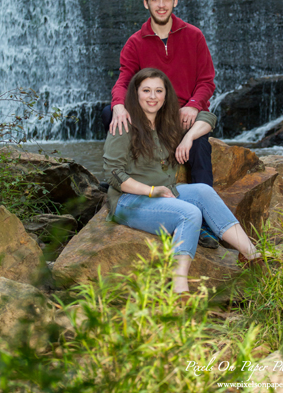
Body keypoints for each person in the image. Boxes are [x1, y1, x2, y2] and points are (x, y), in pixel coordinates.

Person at [103, 68, 262, 295]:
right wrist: (150, 191)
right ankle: (179, 288)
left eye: (159, 91)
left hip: (164, 191)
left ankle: (253, 256)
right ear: (135, 94)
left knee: (204, 192)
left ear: (166, 95)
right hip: (129, 200)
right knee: (190, 213)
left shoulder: (167, 122)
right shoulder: (124, 123)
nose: (152, 96)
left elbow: (208, 118)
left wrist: (188, 137)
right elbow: (113, 174)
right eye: (146, 90)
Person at [102, 0, 219, 248]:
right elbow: (123, 80)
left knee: (200, 143)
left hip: (184, 114)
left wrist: (192, 105)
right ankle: (122, 178)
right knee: (110, 114)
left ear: (175, 1)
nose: (162, 5)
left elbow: (206, 81)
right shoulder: (135, 42)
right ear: (146, 4)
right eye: (155, 0)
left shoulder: (193, 35)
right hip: (151, 113)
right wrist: (119, 104)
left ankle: (204, 225)